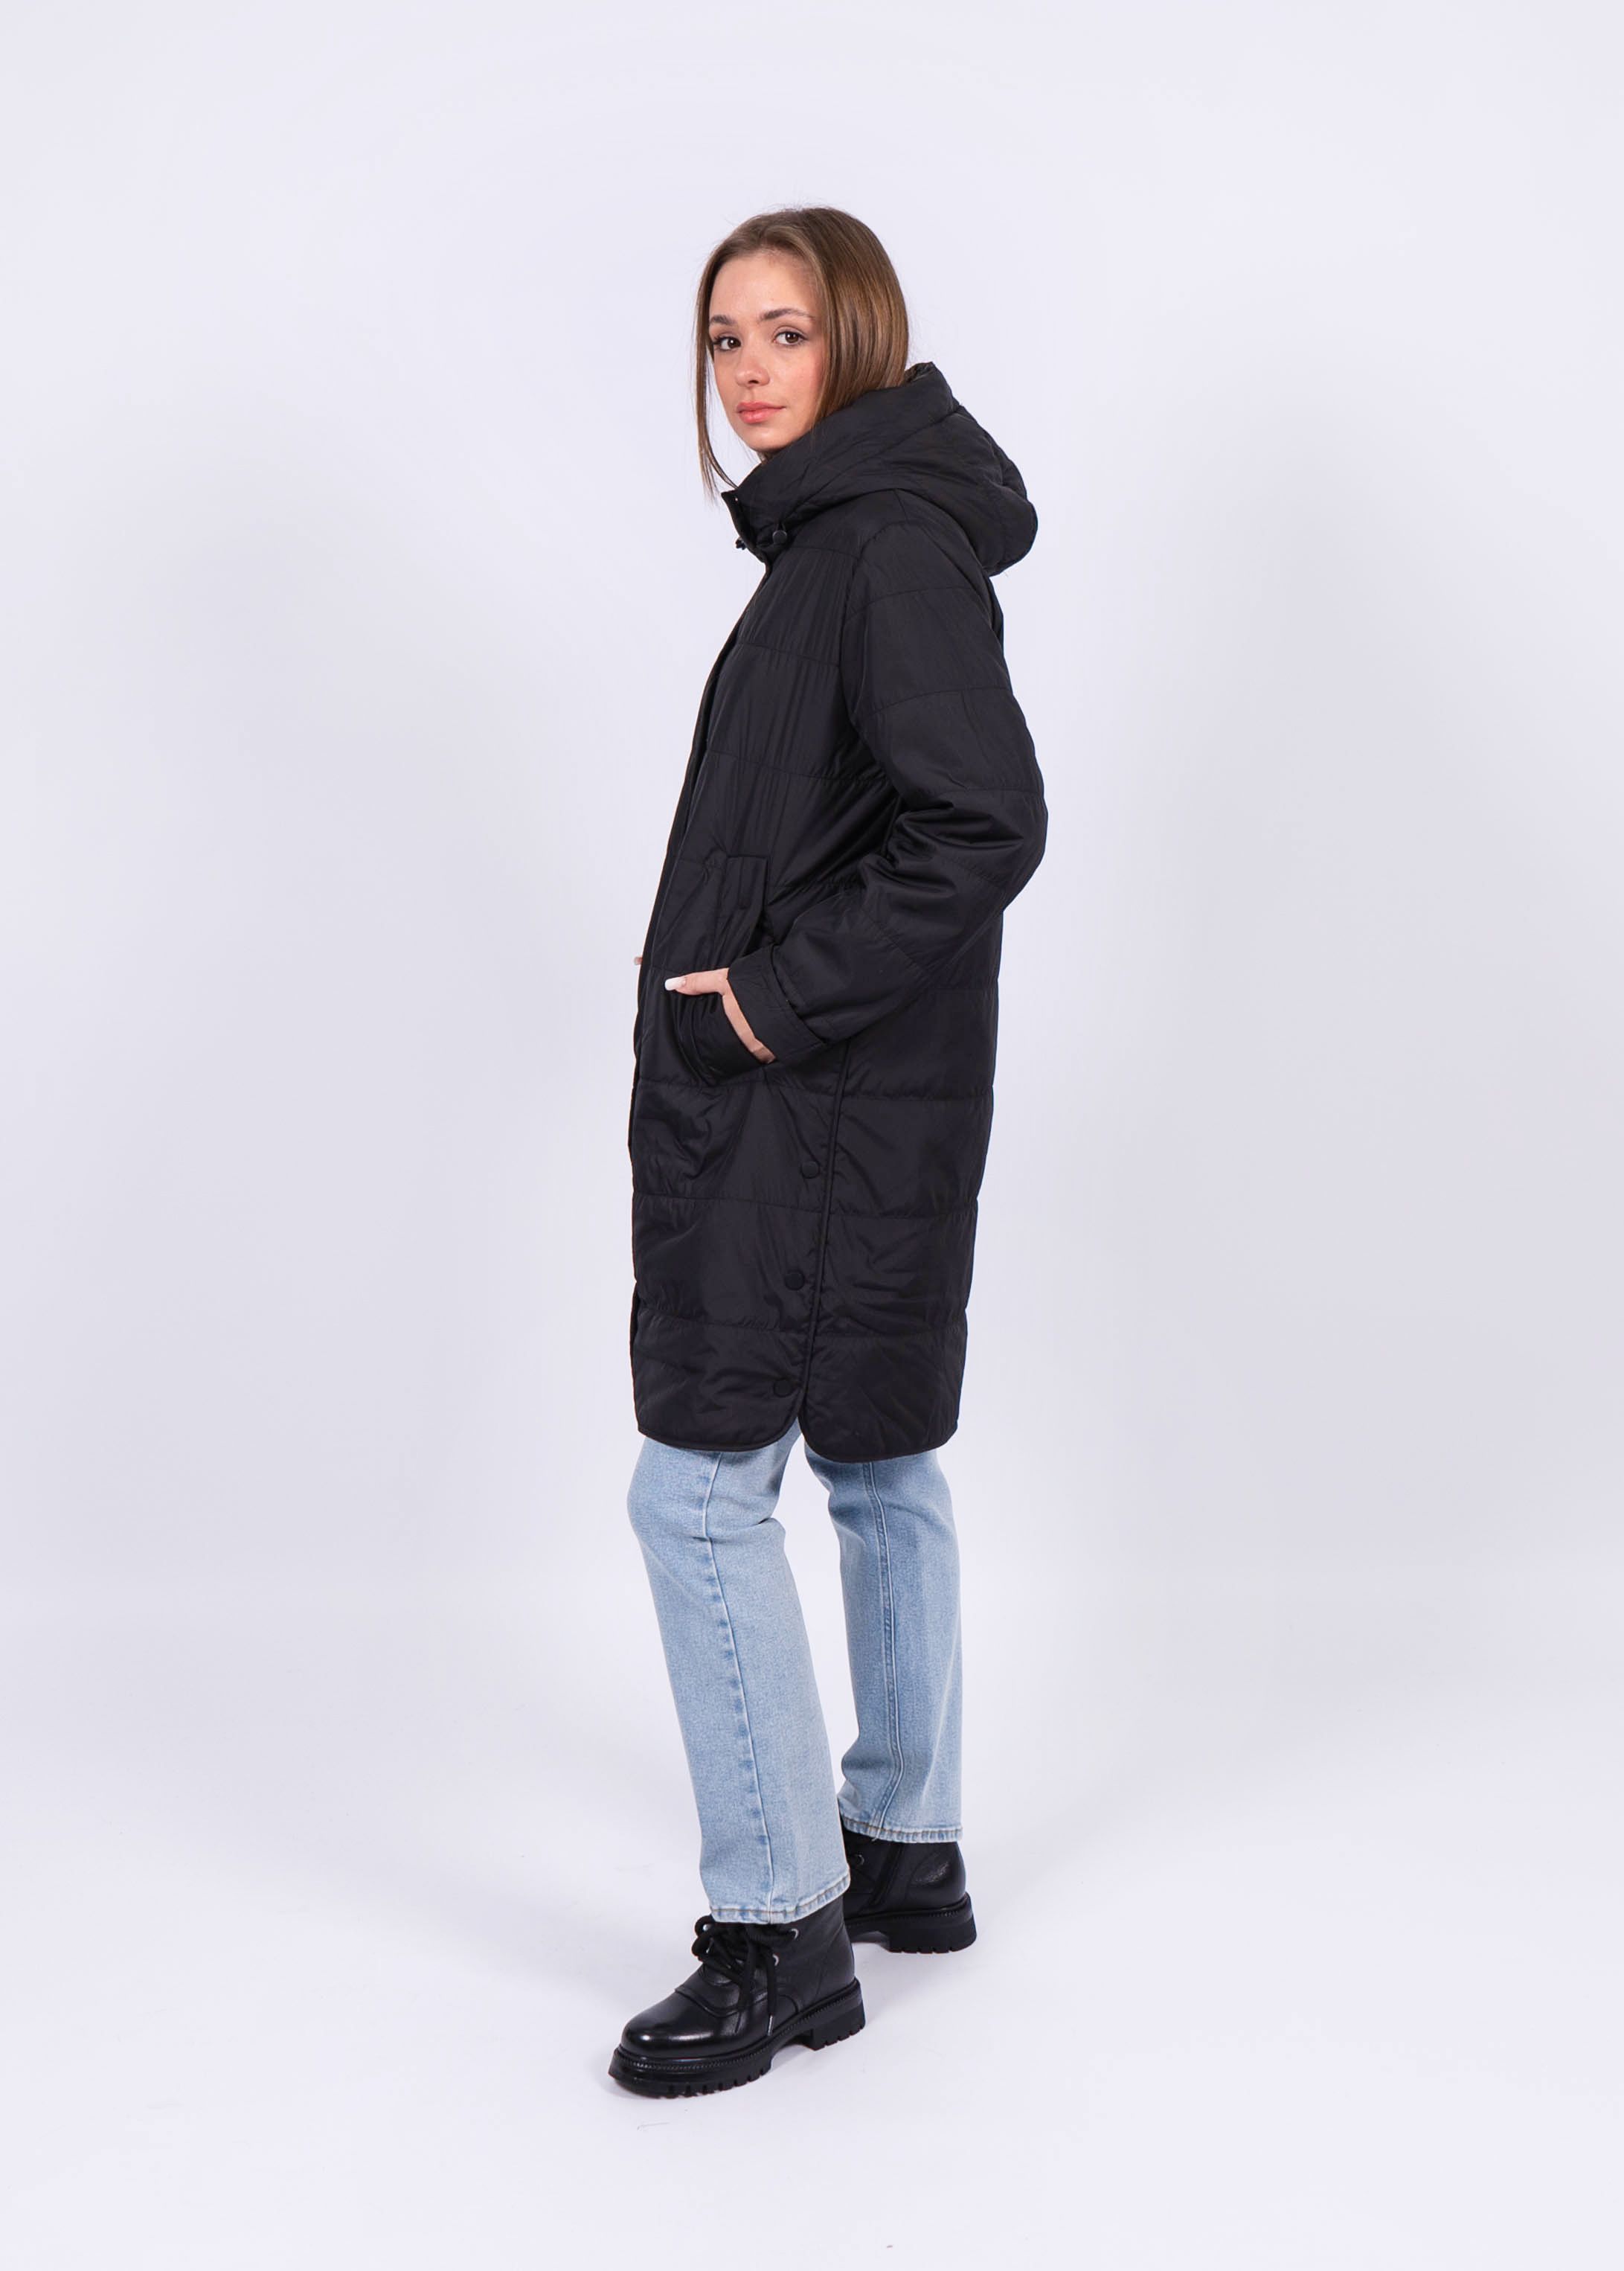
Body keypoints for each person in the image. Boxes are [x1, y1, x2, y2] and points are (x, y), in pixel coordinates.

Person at [609, 205, 1047, 2098]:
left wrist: (767, 1005)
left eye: (784, 331)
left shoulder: (875, 550)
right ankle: (902, 1845)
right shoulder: (851, 541)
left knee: (697, 1493)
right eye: (724, 338)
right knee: (874, 1459)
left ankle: (777, 1928)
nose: (748, 369)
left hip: (814, 1104)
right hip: (859, 1102)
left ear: (856, 338)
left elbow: (984, 820)